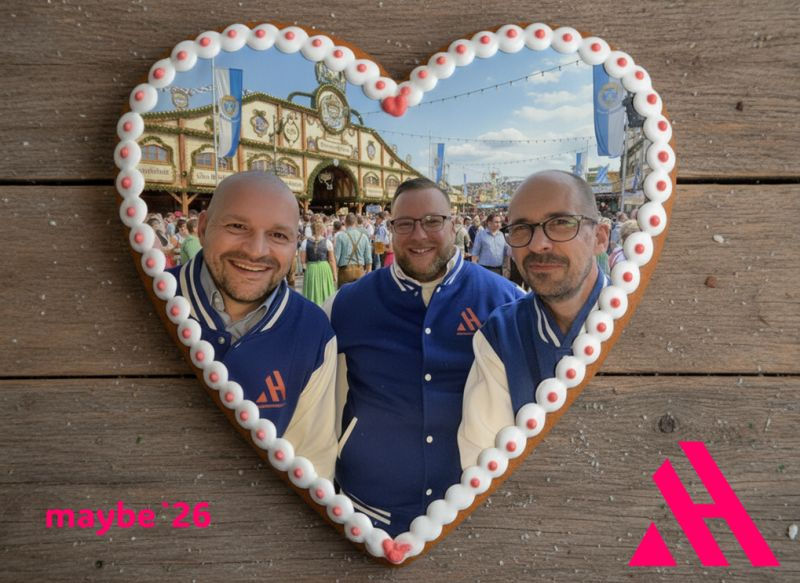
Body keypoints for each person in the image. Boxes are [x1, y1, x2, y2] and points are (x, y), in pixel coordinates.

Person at [326, 177, 524, 536]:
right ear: (391, 229)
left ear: (453, 224)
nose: (419, 235)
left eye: (433, 221)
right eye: (405, 223)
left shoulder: (505, 301)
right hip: (367, 511)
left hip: (472, 508)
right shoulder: (347, 304)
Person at [168, 171, 337, 479]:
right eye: (237, 226)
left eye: (278, 235)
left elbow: (311, 462)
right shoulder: (152, 297)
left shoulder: (314, 332)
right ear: (203, 228)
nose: (256, 250)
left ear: (295, 245)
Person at [458, 170, 610, 469]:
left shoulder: (642, 317)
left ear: (600, 238)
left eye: (561, 223)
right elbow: (483, 466)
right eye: (521, 228)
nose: (538, 244)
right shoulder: (502, 335)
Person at [300, 221, 337, 306]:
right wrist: (334, 274)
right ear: (322, 230)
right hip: (324, 268)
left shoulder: (305, 242)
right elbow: (331, 260)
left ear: (312, 230)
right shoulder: (328, 242)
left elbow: (303, 260)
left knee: (312, 290)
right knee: (325, 290)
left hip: (311, 268)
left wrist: (305, 269)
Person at [333, 213, 371, 287]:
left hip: (344, 271)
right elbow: (368, 259)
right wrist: (368, 274)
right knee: (358, 294)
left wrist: (334, 274)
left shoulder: (340, 236)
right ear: (356, 222)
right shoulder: (364, 237)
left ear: (345, 222)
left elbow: (336, 258)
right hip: (359, 270)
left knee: (344, 293)